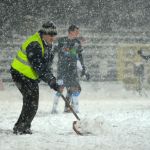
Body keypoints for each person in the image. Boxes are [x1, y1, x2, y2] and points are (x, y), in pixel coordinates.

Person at [10, 21, 60, 134]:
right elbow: (39, 67)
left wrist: (52, 79)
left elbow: (46, 66)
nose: (53, 38)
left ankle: (22, 126)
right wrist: (51, 80)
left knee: (32, 102)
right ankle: (21, 128)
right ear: (44, 34)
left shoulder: (47, 45)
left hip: (29, 76)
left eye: (54, 35)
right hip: (19, 73)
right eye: (51, 35)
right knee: (31, 101)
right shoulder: (35, 44)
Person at [51, 24, 90, 114]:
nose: (78, 33)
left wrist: (83, 68)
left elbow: (80, 57)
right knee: (60, 88)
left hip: (72, 69)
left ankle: (75, 109)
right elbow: (53, 52)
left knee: (75, 88)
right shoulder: (61, 41)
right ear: (70, 31)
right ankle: (54, 109)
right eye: (76, 31)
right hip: (62, 69)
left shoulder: (77, 42)